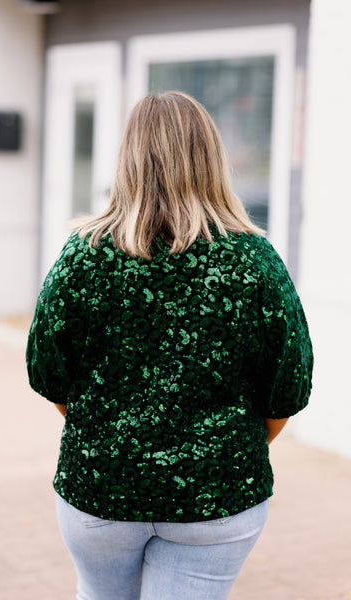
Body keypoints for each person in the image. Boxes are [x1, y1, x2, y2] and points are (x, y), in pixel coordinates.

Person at [26, 91, 313, 600]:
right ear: (212, 158)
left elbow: (47, 371)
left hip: (100, 491)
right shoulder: (254, 260)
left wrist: (108, 434)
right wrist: (228, 446)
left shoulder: (82, 256)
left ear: (128, 159)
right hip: (219, 497)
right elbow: (287, 387)